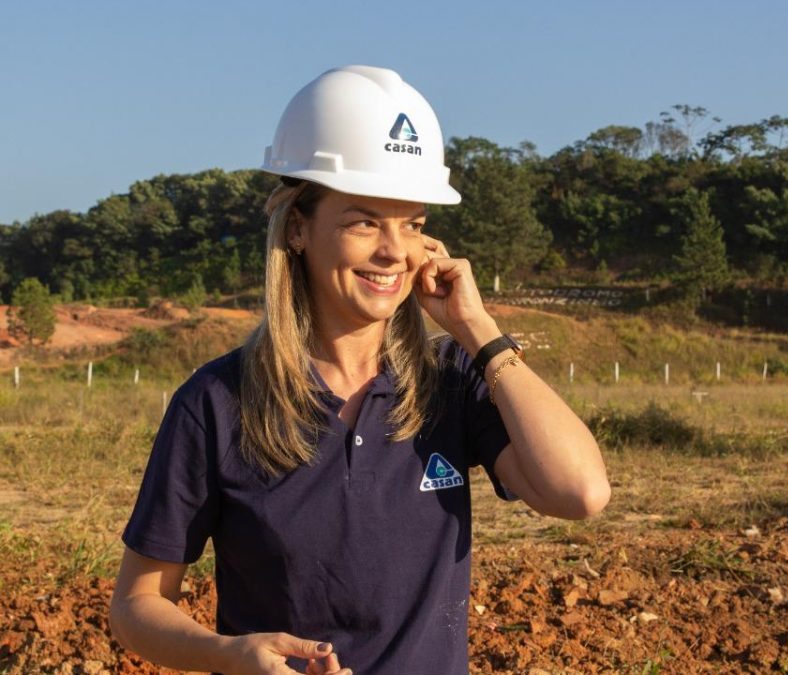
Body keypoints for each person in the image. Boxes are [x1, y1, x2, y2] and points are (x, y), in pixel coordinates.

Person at [108, 65, 610, 674]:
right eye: (364, 220)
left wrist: (476, 329)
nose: (393, 250)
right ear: (297, 227)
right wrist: (233, 654)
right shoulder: (217, 402)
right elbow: (137, 604)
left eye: (413, 225)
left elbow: (580, 492)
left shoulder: (450, 380)